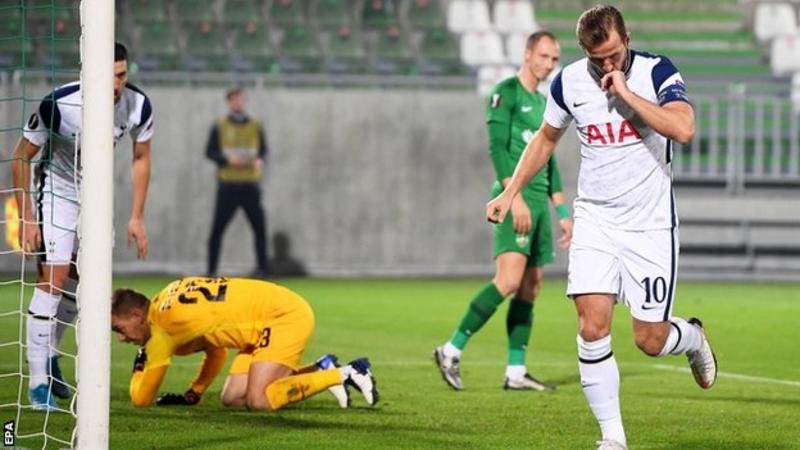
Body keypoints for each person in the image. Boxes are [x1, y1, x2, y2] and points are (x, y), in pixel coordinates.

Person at [485, 6, 717, 449]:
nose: (607, 65)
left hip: (649, 225)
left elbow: (684, 129)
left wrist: (627, 93)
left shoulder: (656, 71)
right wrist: (510, 191)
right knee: (592, 327)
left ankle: (690, 337)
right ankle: (613, 439)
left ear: (626, 38)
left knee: (649, 339)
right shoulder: (568, 81)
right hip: (596, 217)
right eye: (598, 59)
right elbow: (545, 139)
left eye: (613, 54)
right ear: (584, 52)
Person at [11, 42, 152, 411]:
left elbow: (141, 157)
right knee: (54, 278)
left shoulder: (138, 105)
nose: (117, 83)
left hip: (97, 196)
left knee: (88, 284)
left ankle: (52, 355)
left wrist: (136, 216)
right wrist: (26, 215)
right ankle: (38, 383)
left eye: (121, 75)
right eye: (109, 75)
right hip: (56, 191)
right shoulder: (58, 104)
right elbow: (20, 157)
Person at [433, 31, 572, 391]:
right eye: (544, 56)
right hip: (516, 200)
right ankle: (450, 349)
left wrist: (562, 211)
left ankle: (515, 371)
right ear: (527, 54)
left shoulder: (544, 103)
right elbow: (496, 148)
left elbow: (549, 160)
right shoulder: (505, 93)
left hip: (541, 203)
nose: (549, 63)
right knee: (508, 280)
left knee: (532, 286)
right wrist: (514, 196)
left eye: (555, 59)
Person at [111, 277, 378, 410]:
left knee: (259, 400)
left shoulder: (161, 334)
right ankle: (320, 369)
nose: (122, 338)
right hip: (261, 321)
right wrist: (195, 391)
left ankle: (347, 372)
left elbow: (141, 399)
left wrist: (139, 365)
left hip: (282, 315)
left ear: (136, 316)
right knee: (233, 398)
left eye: (119, 329)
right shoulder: (168, 294)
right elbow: (216, 348)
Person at [206, 88, 269, 278]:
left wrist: (260, 159)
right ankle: (212, 271)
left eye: (241, 99)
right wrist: (226, 160)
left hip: (250, 185)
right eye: (234, 100)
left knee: (259, 228)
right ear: (229, 102)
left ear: (245, 101)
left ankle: (263, 270)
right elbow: (210, 152)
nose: (238, 103)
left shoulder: (256, 125)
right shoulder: (220, 125)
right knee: (217, 229)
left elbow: (264, 150)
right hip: (228, 185)